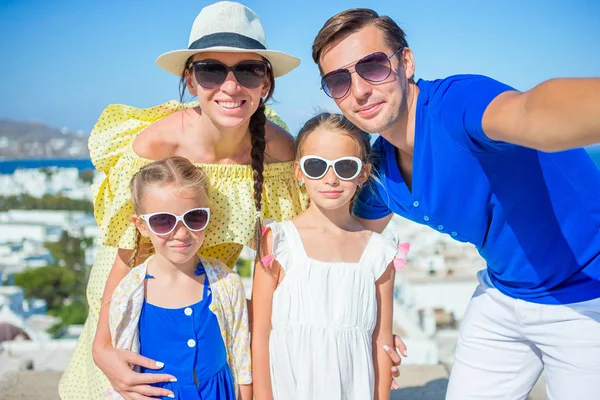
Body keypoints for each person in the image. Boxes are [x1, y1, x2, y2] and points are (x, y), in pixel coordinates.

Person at [311, 8, 600, 400]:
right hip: (504, 296)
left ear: (406, 62)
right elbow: (351, 249)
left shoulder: (455, 106)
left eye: (373, 66)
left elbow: (531, 113)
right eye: (339, 80)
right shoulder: (381, 174)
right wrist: (372, 326)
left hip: (586, 297)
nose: (359, 90)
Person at [58, 2, 308, 399]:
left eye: (248, 70)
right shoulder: (157, 142)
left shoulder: (279, 152)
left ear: (266, 83)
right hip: (135, 289)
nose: (230, 86)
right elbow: (126, 251)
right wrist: (103, 346)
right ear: (191, 82)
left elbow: (288, 249)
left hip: (211, 296)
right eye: (211, 70)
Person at [252, 113, 406, 400]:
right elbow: (261, 334)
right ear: (299, 171)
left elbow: (382, 340)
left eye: (346, 167)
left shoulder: (379, 253)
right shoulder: (278, 242)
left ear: (363, 173)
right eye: (316, 166)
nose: (331, 179)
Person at [105, 157, 250, 400]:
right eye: (163, 221)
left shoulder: (225, 282)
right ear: (140, 225)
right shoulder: (129, 292)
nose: (181, 233)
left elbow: (242, 356)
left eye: (194, 218)